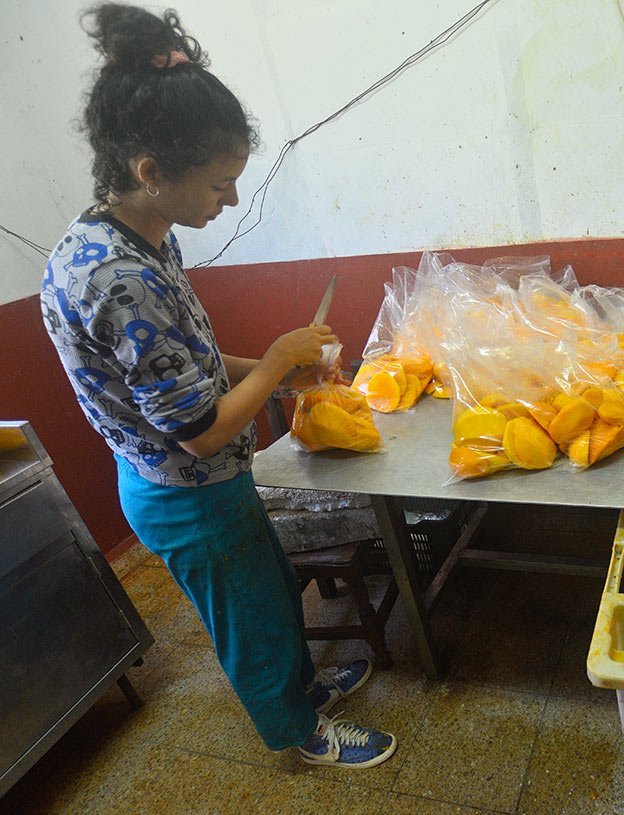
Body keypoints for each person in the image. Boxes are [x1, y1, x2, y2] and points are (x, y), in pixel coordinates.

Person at [40, 3, 396, 769]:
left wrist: (277, 369)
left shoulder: (134, 232)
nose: (229, 202)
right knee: (252, 619)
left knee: (271, 591)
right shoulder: (117, 277)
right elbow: (196, 427)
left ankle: (301, 689)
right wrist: (272, 363)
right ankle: (297, 732)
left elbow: (187, 364)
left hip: (210, 477)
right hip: (186, 486)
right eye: (220, 184)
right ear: (150, 171)